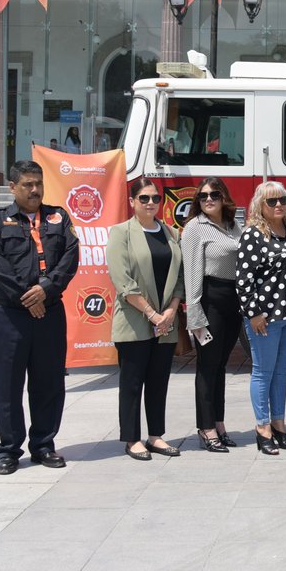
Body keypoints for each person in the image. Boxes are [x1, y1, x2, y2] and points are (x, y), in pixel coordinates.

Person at [0, 160, 80, 474]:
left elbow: (70, 256)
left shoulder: (58, 217)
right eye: (27, 184)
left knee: (48, 383)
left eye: (38, 183)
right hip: (9, 316)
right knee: (8, 386)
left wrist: (46, 290)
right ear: (12, 187)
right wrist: (29, 297)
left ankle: (43, 445)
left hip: (49, 314)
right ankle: (9, 450)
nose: (35, 190)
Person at [108, 178, 185, 460]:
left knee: (158, 381)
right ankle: (131, 438)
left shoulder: (170, 233)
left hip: (165, 322)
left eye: (155, 197)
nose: (151, 203)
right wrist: (152, 314)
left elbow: (179, 278)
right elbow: (123, 281)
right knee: (132, 381)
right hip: (135, 320)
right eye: (144, 198)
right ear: (132, 201)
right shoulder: (121, 233)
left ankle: (156, 436)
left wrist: (171, 312)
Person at [237, 181, 286, 455]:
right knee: (263, 372)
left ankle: (279, 424)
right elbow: (244, 280)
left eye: (283, 200)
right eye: (271, 201)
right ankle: (262, 427)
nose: (278, 205)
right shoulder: (253, 234)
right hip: (264, 318)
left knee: (280, 373)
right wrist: (253, 314)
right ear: (260, 205)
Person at [181, 177, 243, 452]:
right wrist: (195, 316)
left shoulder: (232, 226)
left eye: (214, 194)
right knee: (207, 367)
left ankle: (218, 422)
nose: (208, 199)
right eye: (203, 195)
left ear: (223, 197)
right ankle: (206, 428)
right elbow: (192, 273)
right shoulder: (194, 228)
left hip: (233, 302)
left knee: (221, 366)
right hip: (210, 300)